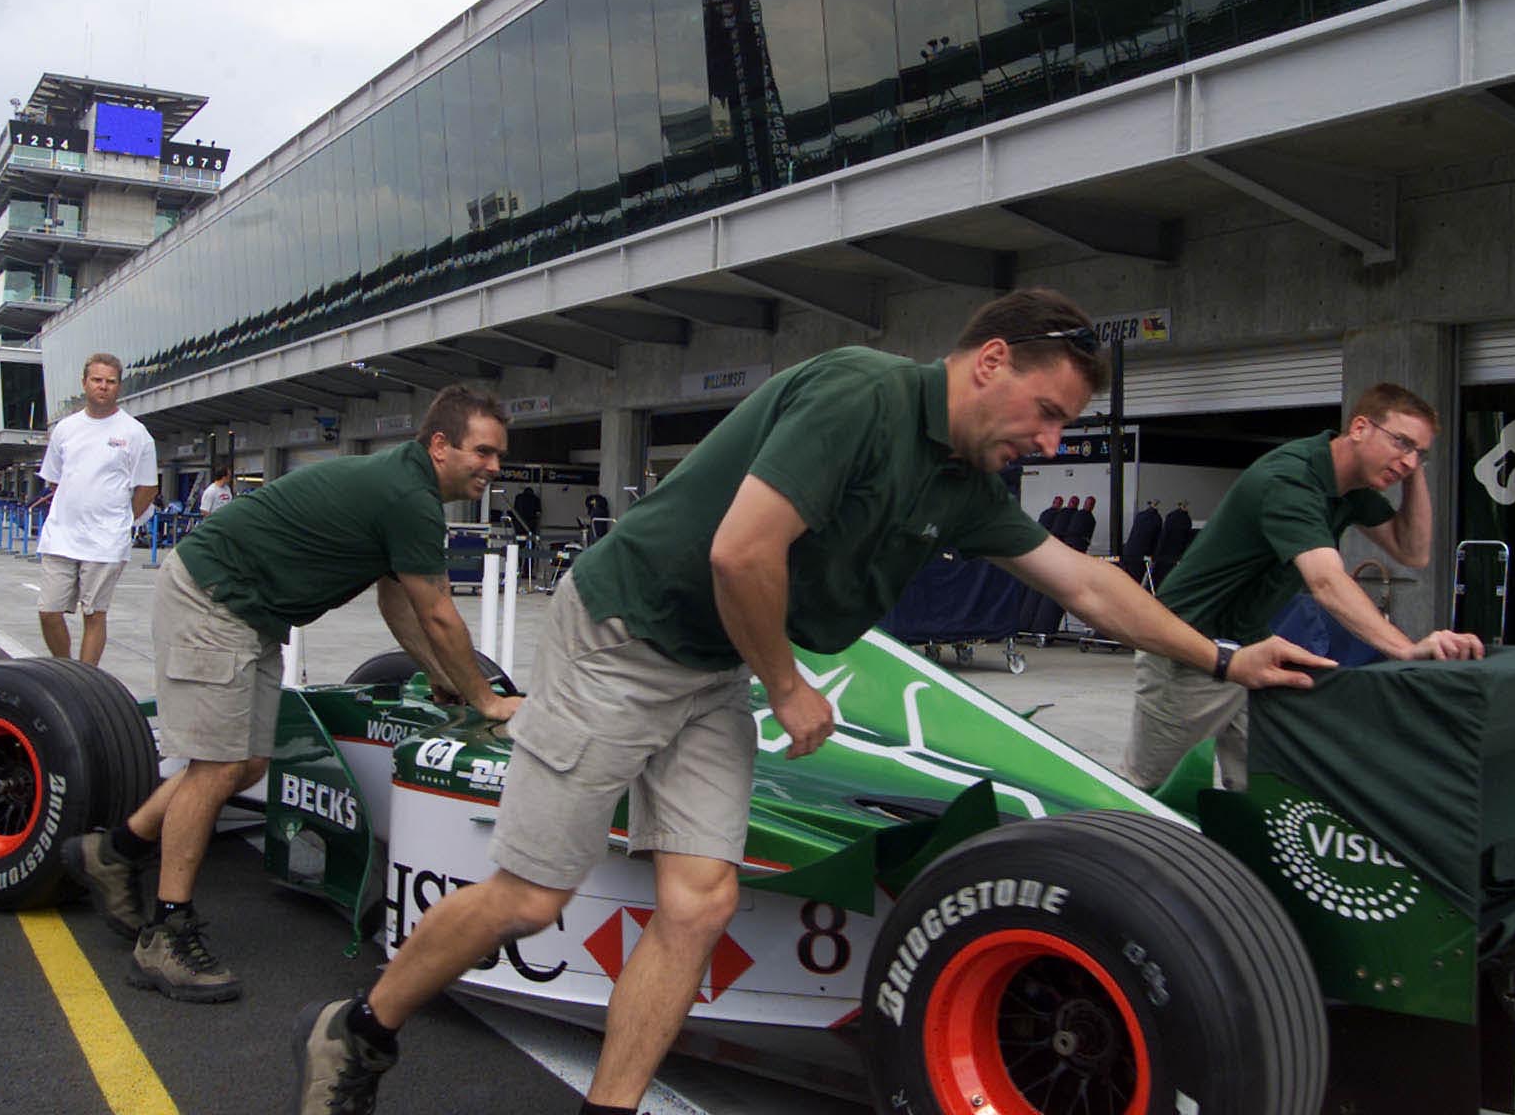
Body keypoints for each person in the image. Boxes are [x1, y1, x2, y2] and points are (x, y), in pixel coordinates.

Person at [290, 288, 1330, 1115]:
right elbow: (740, 550)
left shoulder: (964, 483)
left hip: (709, 667)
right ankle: (360, 1032)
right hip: (620, 635)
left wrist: (1223, 657)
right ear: (988, 364)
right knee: (531, 896)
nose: (1052, 442)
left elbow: (1089, 584)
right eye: (1048, 412)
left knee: (699, 901)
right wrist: (786, 686)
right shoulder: (857, 395)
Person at [62, 385, 522, 1003]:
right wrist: (486, 699)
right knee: (217, 765)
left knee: (247, 763)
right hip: (213, 597)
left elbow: (399, 603)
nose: (494, 468)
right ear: (440, 445)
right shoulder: (408, 494)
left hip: (251, 614)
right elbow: (439, 613)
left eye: (498, 456)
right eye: (484, 452)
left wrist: (440, 677)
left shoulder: (407, 487)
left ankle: (113, 852)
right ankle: (165, 936)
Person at [1121, 382, 1487, 793]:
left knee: (1267, 793)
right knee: (1149, 794)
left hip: (1252, 649)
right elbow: (1327, 582)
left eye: (1420, 452)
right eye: (1401, 442)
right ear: (1361, 427)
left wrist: (1412, 468)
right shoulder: (1292, 479)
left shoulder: (1352, 488)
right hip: (1188, 649)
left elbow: (1413, 551)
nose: (1407, 461)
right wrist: (1405, 649)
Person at [34, 354, 158, 666]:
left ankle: (86, 680)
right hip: (61, 536)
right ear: (84, 383)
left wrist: (122, 520)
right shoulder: (65, 429)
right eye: (97, 380)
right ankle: (65, 668)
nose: (103, 387)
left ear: (119, 386)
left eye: (110, 382)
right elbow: (54, 480)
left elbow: (147, 487)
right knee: (48, 611)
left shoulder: (135, 433)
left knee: (94, 614)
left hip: (105, 541)